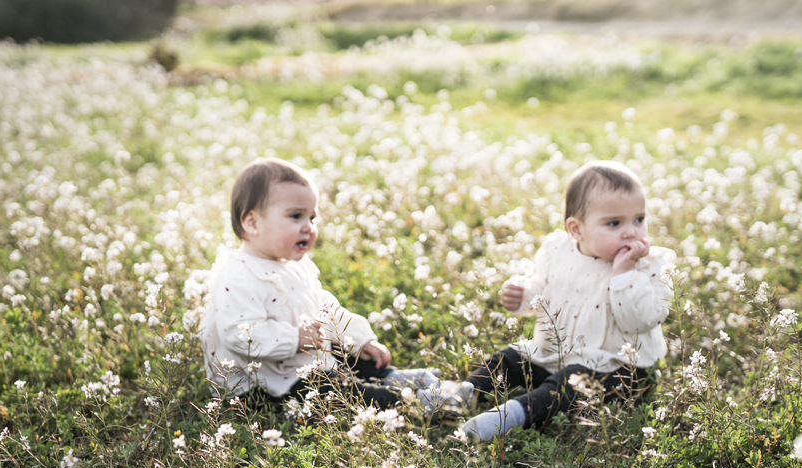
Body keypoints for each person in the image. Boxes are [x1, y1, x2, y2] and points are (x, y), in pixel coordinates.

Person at [455, 160, 677, 441]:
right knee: (510, 359)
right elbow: (544, 291)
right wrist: (523, 295)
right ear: (576, 230)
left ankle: (513, 414)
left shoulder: (650, 266)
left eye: (639, 219)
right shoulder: (558, 251)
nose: (631, 232)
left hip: (616, 368)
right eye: (614, 223)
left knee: (568, 386)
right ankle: (463, 393)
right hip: (551, 353)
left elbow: (640, 320)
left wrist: (623, 274)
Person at [200, 157, 439, 409]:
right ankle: (409, 401)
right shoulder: (238, 277)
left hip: (300, 358)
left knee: (344, 353)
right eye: (296, 216)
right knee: (330, 392)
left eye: (312, 217)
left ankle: (389, 376)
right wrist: (294, 338)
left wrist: (358, 339)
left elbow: (322, 306)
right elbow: (238, 335)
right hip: (262, 381)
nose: (308, 227)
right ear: (252, 222)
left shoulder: (294, 264)